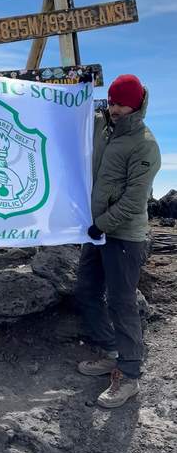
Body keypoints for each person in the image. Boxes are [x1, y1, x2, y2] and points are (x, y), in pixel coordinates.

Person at [76, 74, 161, 408]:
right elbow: (74, 110)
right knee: (86, 290)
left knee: (122, 303)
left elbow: (134, 200)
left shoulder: (145, 144)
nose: (114, 109)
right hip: (97, 232)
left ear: (137, 104)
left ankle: (129, 374)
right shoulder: (104, 129)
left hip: (123, 235)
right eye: (111, 102)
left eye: (121, 103)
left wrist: (103, 225)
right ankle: (110, 350)